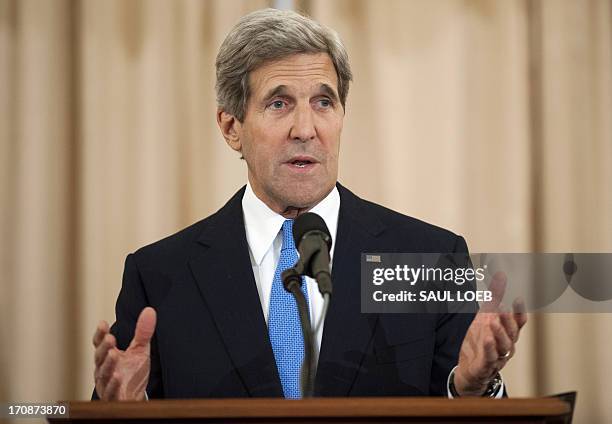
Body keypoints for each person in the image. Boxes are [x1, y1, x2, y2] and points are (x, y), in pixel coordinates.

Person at [92, 8, 526, 401]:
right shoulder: (160, 274)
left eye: (323, 102)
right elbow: (120, 400)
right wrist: (126, 412)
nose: (306, 128)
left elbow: (468, 399)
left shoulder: (429, 257)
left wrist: (470, 388)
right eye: (279, 103)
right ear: (231, 127)